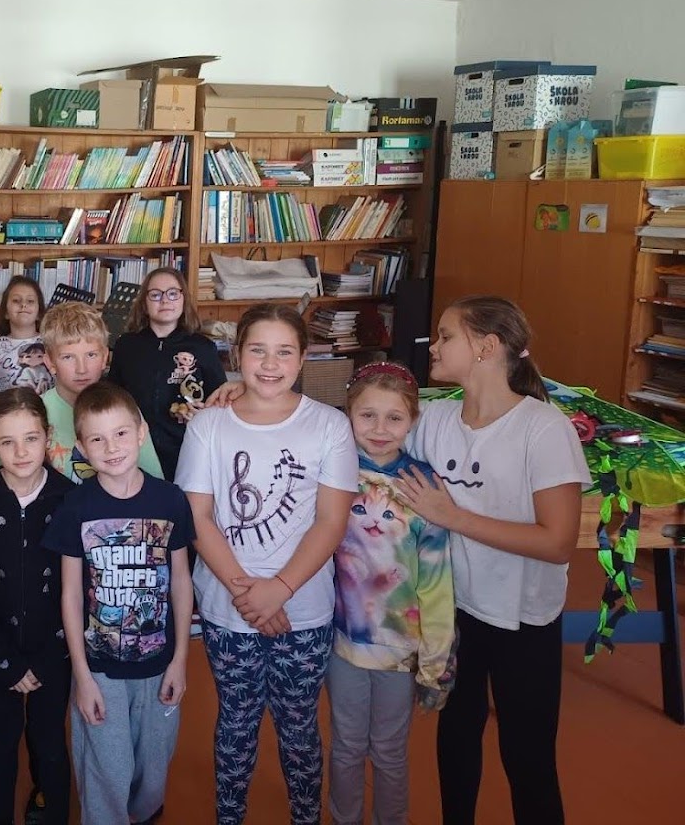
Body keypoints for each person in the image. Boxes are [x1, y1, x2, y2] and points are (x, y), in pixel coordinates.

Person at [395, 296, 589, 825]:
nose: (433, 346)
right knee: (456, 739)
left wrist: (453, 516)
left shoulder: (543, 429)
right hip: (455, 610)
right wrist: (245, 395)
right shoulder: (434, 418)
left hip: (522, 620)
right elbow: (368, 425)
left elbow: (557, 542)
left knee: (528, 757)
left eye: (445, 336)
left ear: (486, 347)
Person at [174, 303, 357, 825]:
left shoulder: (329, 425)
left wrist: (280, 588)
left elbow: (331, 521)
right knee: (236, 722)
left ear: (302, 358)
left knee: (299, 727)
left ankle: (306, 816)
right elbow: (198, 516)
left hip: (304, 609)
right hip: (227, 609)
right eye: (257, 350)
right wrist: (246, 592)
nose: (270, 364)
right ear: (237, 355)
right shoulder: (208, 426)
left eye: (284, 352)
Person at [43, 382, 194, 825]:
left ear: (141, 432)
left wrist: (180, 660)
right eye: (97, 438)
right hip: (101, 668)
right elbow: (71, 594)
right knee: (107, 769)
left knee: (153, 767)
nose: (111, 448)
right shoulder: (75, 507)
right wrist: (81, 675)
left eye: (121, 433)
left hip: (160, 663)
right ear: (82, 447)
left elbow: (181, 581)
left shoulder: (170, 500)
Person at [327, 361, 456, 825]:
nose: (380, 429)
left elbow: (436, 581)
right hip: (342, 645)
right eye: (367, 415)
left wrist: (436, 662)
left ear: (412, 421)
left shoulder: (424, 487)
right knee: (345, 747)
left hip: (402, 651)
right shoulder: (332, 473)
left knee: (389, 751)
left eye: (394, 418)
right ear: (348, 414)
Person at [0, 387, 74, 825]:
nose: (21, 452)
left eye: (31, 438)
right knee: (1, 741)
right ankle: (1, 813)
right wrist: (4, 661)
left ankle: (54, 810)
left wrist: (46, 659)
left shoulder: (68, 499)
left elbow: (76, 588)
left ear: (48, 436)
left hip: (52, 652)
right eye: (7, 442)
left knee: (49, 741)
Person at [108, 266, 227, 481]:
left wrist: (203, 414)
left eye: (173, 293)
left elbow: (220, 402)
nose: (165, 300)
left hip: (187, 449)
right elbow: (113, 398)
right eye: (155, 295)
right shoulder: (126, 345)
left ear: (183, 299)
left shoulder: (203, 347)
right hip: (136, 451)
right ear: (144, 304)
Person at [38, 301, 162, 484]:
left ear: (105, 357)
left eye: (91, 355)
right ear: (50, 362)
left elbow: (154, 482)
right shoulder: (36, 413)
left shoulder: (124, 409)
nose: (82, 369)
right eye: (68, 357)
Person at [0, 276, 54, 396]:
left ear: (39, 313)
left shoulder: (52, 343)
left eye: (30, 301)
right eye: (16, 300)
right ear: (5, 312)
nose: (23, 305)